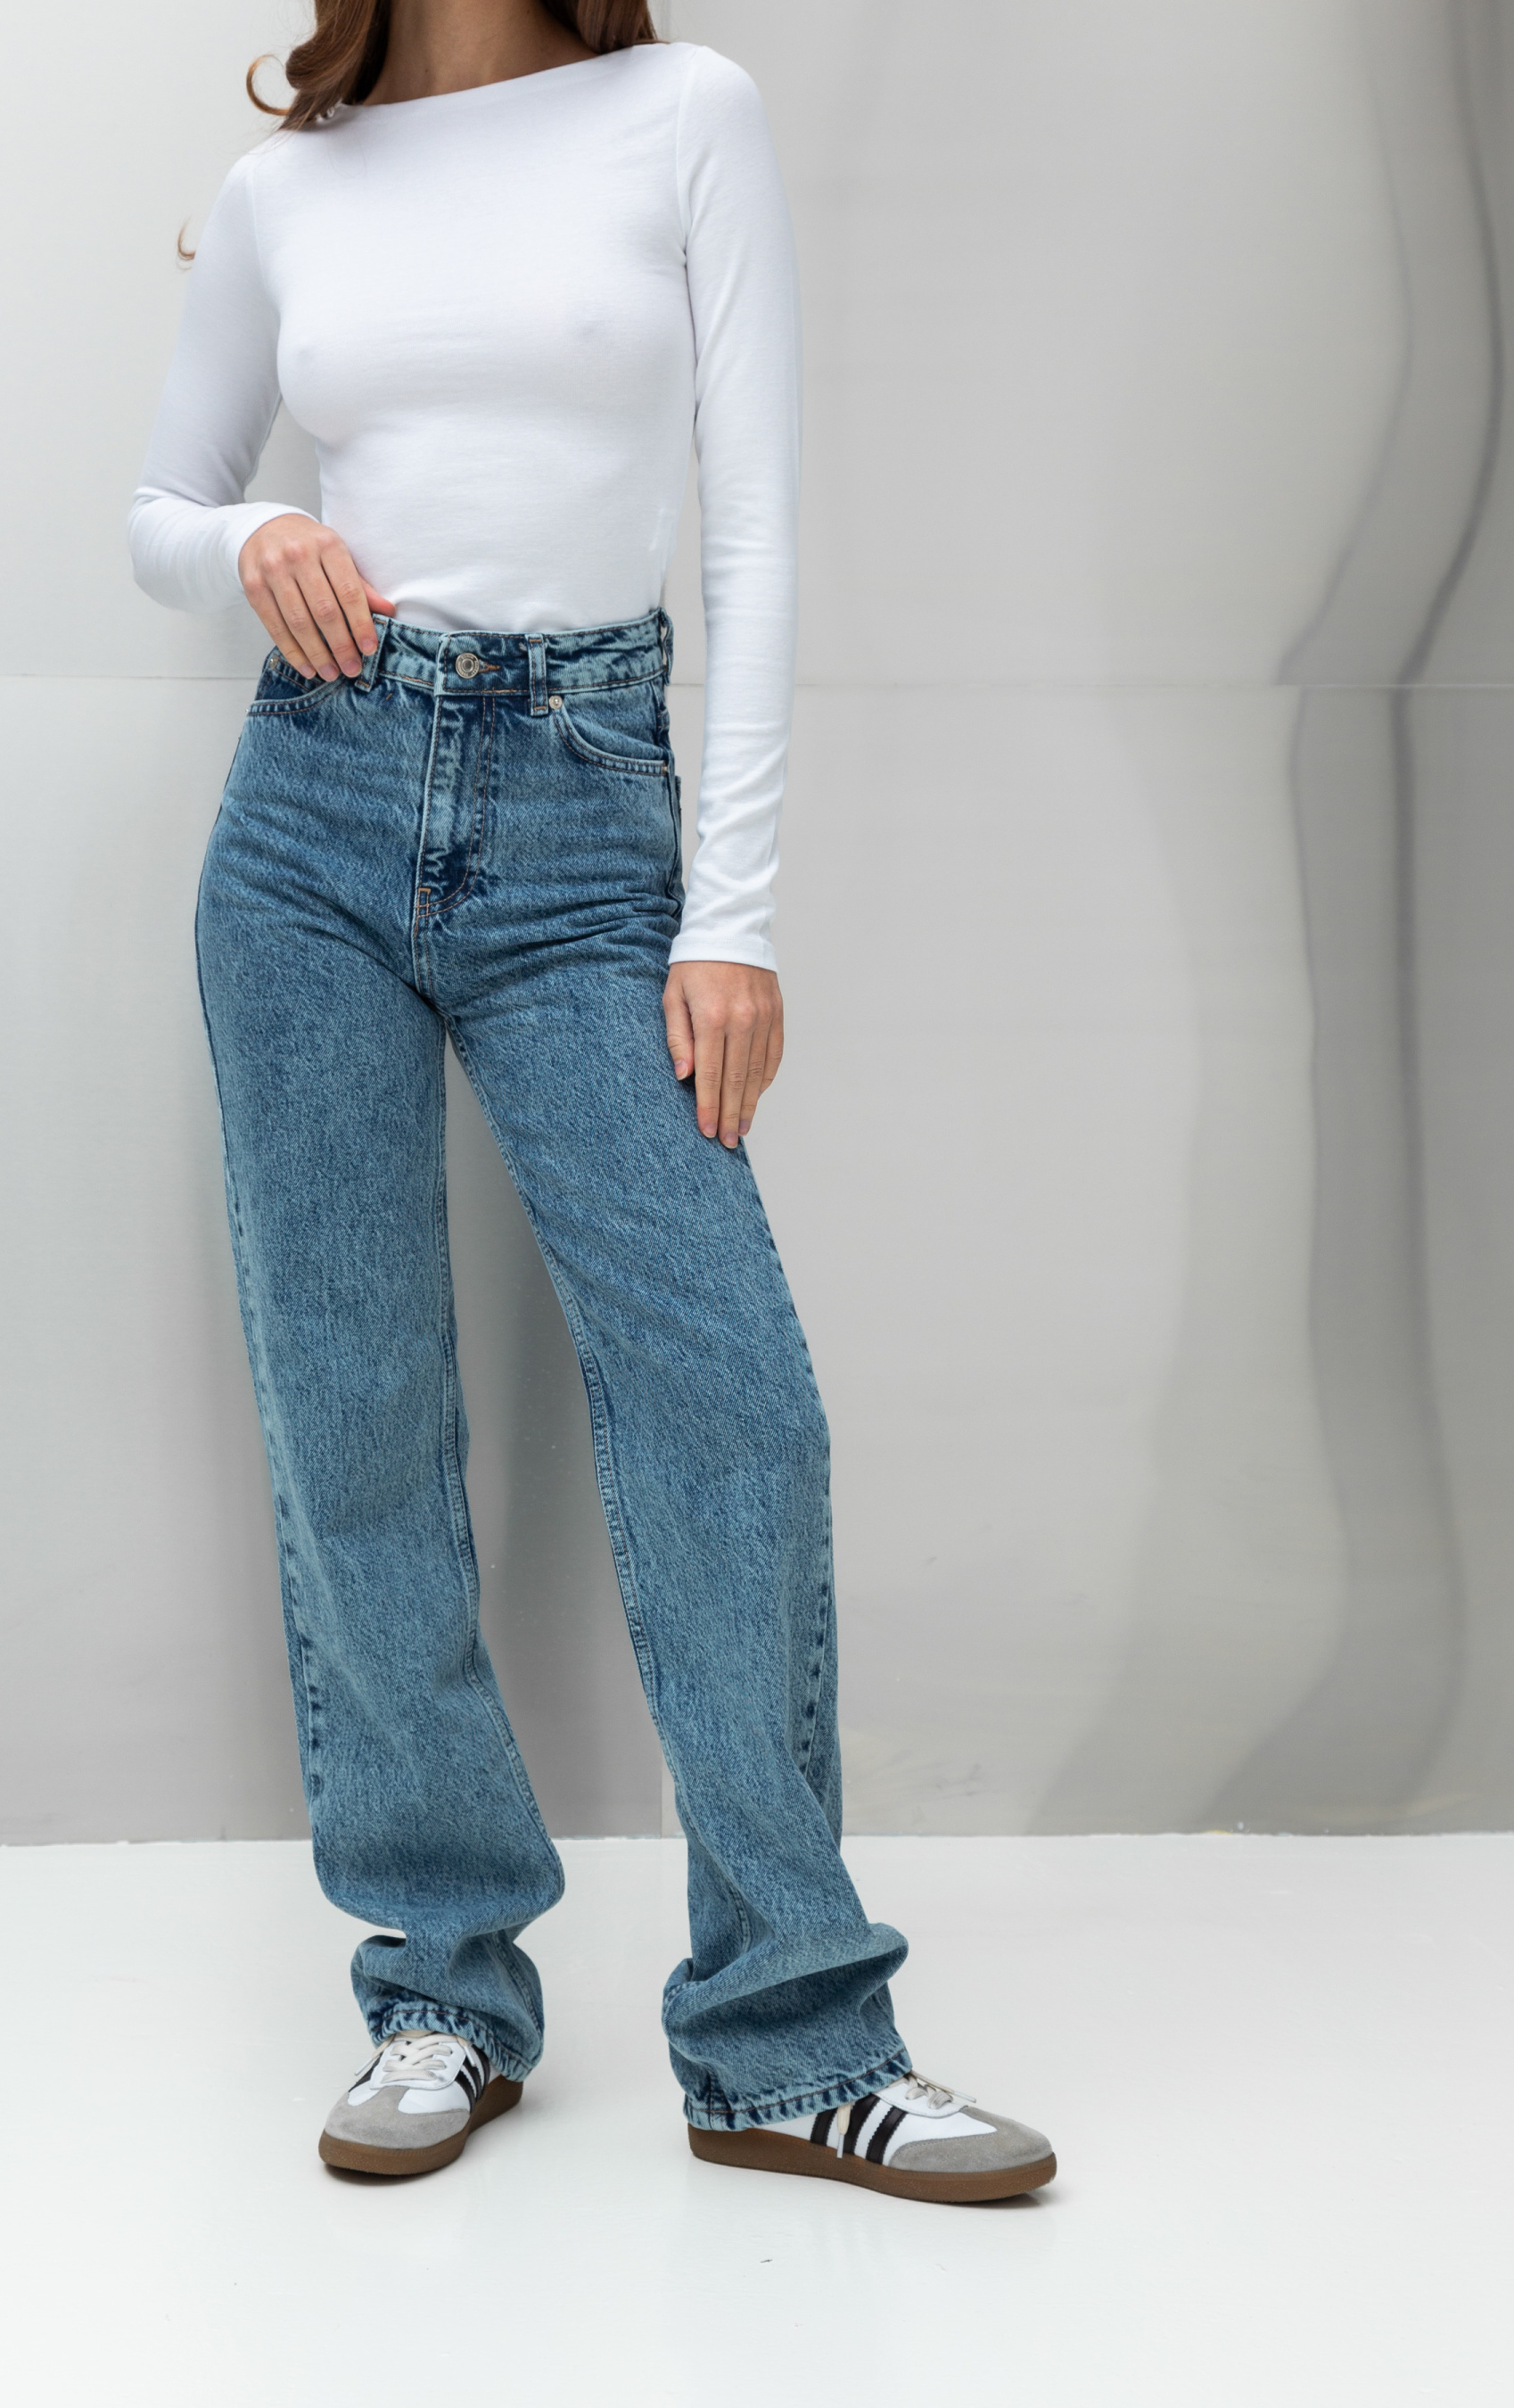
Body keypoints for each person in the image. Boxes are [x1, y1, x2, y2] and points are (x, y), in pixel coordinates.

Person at [130, 0, 1054, 2205]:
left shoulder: (681, 113)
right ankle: (442, 1987)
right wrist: (245, 539)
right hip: (311, 816)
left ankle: (784, 2035)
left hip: (583, 823)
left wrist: (727, 917)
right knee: (352, 1409)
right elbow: (157, 505)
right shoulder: (287, 188)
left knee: (730, 1402)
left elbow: (755, 531)